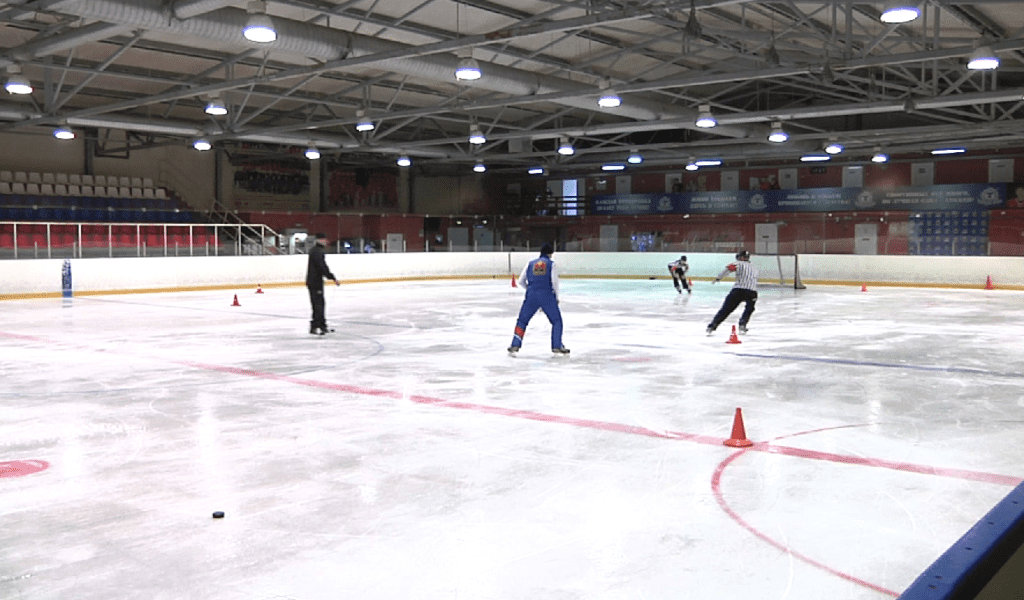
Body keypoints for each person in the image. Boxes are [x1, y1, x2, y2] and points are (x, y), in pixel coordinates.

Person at [508, 243, 569, 355]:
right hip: (547, 296)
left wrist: (530, 290)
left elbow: (521, 281)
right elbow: (554, 281)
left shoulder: (530, 264)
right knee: (556, 321)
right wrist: (556, 297)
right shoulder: (551, 264)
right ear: (550, 254)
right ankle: (557, 345)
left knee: (522, 321)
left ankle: (515, 344)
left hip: (531, 296)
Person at [706, 249, 758, 335]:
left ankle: (713, 326)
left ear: (741, 257)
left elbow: (728, 269)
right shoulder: (754, 266)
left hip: (738, 290)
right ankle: (743, 324)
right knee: (750, 309)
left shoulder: (738, 263)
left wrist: (718, 278)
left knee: (726, 309)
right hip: (752, 291)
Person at [306, 233, 340, 335]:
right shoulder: (317, 252)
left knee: (318, 304)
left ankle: (318, 326)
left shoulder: (315, 251)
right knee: (319, 304)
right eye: (324, 239)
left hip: (314, 281)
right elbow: (322, 266)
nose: (326, 241)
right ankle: (319, 326)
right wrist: (332, 277)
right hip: (315, 282)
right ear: (319, 240)